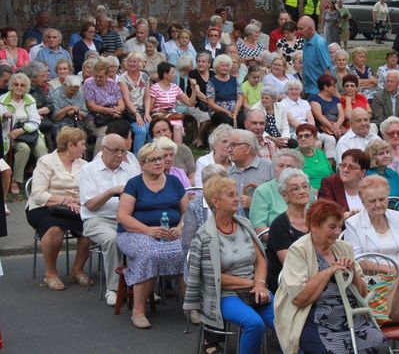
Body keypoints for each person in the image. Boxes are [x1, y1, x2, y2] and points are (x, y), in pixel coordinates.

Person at [274, 199, 389, 354]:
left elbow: (362, 294)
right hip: (315, 321)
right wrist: (329, 271)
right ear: (314, 226)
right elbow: (300, 298)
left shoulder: (343, 248)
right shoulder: (298, 251)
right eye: (332, 227)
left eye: (339, 226)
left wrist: (353, 272)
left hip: (351, 318)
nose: (337, 232)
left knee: (379, 343)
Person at [184, 176, 274, 354]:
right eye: (231, 195)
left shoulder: (245, 224)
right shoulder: (205, 237)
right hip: (223, 294)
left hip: (255, 287)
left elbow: (261, 260)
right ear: (216, 202)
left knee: (288, 321)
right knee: (254, 323)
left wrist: (260, 284)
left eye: (237, 194)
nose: (237, 198)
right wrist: (252, 284)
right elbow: (213, 277)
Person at [116, 143, 188, 329]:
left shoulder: (174, 182)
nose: (159, 162)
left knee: (187, 252)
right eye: (153, 159)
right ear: (142, 164)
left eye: (161, 158)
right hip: (136, 233)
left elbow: (188, 212)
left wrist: (180, 228)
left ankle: (191, 306)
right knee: (149, 253)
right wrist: (147, 230)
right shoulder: (134, 184)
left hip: (171, 232)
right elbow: (122, 216)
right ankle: (138, 311)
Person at [26, 127, 91, 291]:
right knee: (55, 229)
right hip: (44, 207)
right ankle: (51, 274)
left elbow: (90, 192)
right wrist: (64, 200)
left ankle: (77, 270)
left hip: (74, 207)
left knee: (92, 227)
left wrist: (76, 200)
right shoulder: (46, 161)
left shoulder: (85, 165)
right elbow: (38, 193)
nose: (85, 148)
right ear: (71, 145)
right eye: (82, 144)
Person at [80, 133, 141, 306]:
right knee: (113, 239)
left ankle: (140, 286)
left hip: (126, 218)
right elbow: (90, 205)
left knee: (144, 238)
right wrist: (111, 192)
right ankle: (113, 289)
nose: (120, 155)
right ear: (102, 150)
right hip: (97, 220)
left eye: (123, 151)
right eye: (115, 151)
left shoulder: (129, 168)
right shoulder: (89, 170)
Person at [0, 73, 48, 195]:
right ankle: (16, 181)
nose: (19, 87)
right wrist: (3, 116)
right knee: (24, 148)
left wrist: (21, 130)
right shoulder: (3, 100)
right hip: (9, 134)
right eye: (16, 84)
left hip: (29, 133)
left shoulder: (29, 99)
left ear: (26, 87)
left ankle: (45, 181)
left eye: (22, 85)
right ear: (11, 85)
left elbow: (36, 121)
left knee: (42, 148)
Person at [345, 174, 399, 263]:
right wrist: (393, 270)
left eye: (382, 199)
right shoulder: (352, 224)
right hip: (370, 276)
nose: (378, 205)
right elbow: (356, 261)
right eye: (372, 201)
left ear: (387, 198)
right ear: (363, 202)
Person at [266, 168, 310, 293]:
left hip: (320, 276)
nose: (302, 191)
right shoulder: (279, 225)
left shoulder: (317, 219)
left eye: (305, 186)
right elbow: (292, 265)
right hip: (291, 286)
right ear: (284, 195)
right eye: (295, 189)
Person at [249, 149, 311, 236]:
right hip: (276, 242)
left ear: (299, 170)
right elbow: (259, 229)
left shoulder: (307, 189)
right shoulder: (263, 191)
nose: (285, 169)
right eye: (280, 166)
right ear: (274, 168)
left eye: (289, 166)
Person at [82, 60, 126, 156]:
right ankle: (97, 159)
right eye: (95, 75)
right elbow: (91, 106)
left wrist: (115, 111)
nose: (97, 79)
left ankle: (121, 157)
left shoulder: (112, 84)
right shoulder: (88, 83)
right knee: (105, 131)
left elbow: (121, 105)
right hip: (95, 118)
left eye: (101, 76)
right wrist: (108, 111)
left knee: (125, 129)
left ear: (107, 75)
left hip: (113, 116)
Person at [146, 61, 197, 145]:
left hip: (172, 115)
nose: (174, 75)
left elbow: (190, 103)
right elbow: (151, 108)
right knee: (172, 125)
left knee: (177, 127)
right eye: (172, 73)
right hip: (159, 115)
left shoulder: (175, 87)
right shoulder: (155, 88)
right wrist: (163, 112)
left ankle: (177, 151)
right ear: (165, 74)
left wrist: (194, 89)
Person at [227, 129, 273, 216]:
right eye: (229, 145)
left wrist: (254, 204)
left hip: (261, 227)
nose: (229, 150)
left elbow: (279, 204)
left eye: (233, 145)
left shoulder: (270, 168)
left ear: (248, 148)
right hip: (233, 228)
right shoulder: (227, 173)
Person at [319, 149, 370, 217]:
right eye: (343, 165)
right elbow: (324, 212)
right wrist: (345, 216)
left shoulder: (370, 186)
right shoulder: (329, 183)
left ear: (363, 172)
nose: (345, 170)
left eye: (351, 167)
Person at [118, 52, 150, 155]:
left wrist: (147, 113)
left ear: (139, 63)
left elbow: (147, 97)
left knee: (151, 128)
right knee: (141, 131)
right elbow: (126, 100)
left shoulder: (145, 76)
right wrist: (136, 113)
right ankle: (137, 157)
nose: (131, 64)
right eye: (130, 61)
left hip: (142, 111)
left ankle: (151, 155)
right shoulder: (123, 78)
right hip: (129, 112)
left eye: (134, 62)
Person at [371, 70, 399, 141]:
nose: (388, 84)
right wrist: (394, 127)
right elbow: (379, 117)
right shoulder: (378, 96)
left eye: (391, 82)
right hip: (384, 127)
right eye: (387, 81)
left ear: (398, 84)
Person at [148, 116, 196, 182]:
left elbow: (193, 176)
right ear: (153, 137)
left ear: (171, 132)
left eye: (164, 130)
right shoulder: (149, 153)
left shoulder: (184, 150)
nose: (162, 134)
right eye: (158, 132)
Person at [309, 74, 344, 162]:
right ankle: (329, 165)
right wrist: (332, 127)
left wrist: (337, 126)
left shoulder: (336, 99)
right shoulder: (314, 98)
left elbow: (341, 115)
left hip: (337, 127)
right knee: (331, 139)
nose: (335, 88)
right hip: (322, 128)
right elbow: (319, 116)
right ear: (325, 87)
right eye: (333, 86)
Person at [297, 16, 332, 96]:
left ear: (310, 29)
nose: (298, 31)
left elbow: (327, 70)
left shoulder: (319, 44)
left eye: (301, 29)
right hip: (308, 89)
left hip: (318, 91)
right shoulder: (306, 41)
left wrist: (326, 93)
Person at [207, 54, 244, 128]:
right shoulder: (212, 82)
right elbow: (210, 102)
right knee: (228, 120)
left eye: (227, 66)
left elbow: (240, 98)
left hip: (234, 110)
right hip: (219, 111)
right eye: (222, 66)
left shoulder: (234, 80)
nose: (225, 68)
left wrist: (236, 111)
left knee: (242, 119)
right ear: (217, 67)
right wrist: (226, 111)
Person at [295, 123, 333, 190]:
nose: (303, 139)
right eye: (300, 136)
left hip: (328, 190)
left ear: (315, 138)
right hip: (307, 193)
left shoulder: (320, 153)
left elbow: (331, 174)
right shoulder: (293, 156)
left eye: (307, 136)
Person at [50, 75, 88, 139]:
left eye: (76, 91)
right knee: (65, 138)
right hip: (60, 125)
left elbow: (84, 113)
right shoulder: (55, 95)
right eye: (72, 90)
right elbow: (54, 117)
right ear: (65, 85)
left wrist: (77, 112)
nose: (74, 93)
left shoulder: (79, 93)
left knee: (81, 138)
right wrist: (67, 109)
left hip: (77, 123)